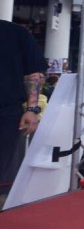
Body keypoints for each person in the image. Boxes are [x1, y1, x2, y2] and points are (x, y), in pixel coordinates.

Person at [1, 20, 47, 191]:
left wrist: (32, 109)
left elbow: (34, 74)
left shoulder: (15, 33)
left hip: (6, 112)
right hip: (8, 112)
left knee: (3, 166)